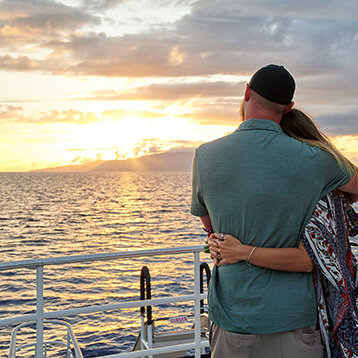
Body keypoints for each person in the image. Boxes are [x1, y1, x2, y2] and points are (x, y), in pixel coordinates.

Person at [190, 64, 358, 358]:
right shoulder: (315, 160)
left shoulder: (205, 157)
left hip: (232, 318)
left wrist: (221, 243)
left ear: (246, 93)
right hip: (293, 321)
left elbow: (209, 227)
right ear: (289, 107)